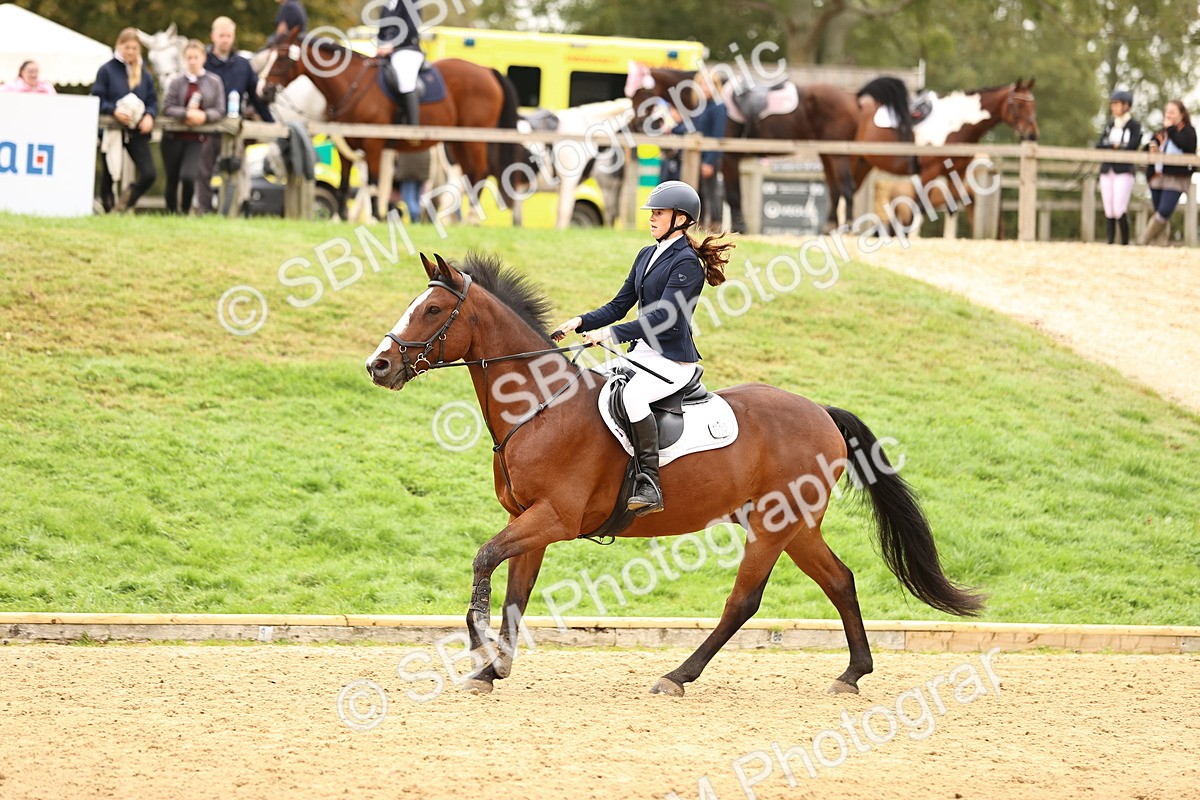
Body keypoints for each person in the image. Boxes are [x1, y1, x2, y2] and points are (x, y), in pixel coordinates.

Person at [551, 181, 735, 516]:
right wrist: (580, 321)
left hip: (672, 361)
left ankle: (649, 482)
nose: (651, 218)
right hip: (641, 354)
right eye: (651, 212)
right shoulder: (647, 254)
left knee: (633, 397)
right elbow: (620, 304)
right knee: (590, 384)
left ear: (680, 219)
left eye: (659, 213)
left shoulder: (688, 263)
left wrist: (610, 335)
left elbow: (664, 316)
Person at [197, 16, 276, 215]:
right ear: (213, 36)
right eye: (221, 35)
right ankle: (204, 210)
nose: (225, 39)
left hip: (234, 126)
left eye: (229, 35)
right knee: (204, 169)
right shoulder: (203, 62)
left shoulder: (242, 64)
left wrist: (271, 122)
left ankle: (235, 210)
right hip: (208, 125)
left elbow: (255, 98)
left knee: (237, 169)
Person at [91, 27, 158, 213]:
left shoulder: (144, 74)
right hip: (111, 130)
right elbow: (97, 98)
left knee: (149, 173)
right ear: (119, 46)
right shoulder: (107, 70)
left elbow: (152, 100)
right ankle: (108, 210)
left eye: (134, 48)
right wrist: (113, 111)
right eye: (127, 47)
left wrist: (149, 116)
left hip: (135, 131)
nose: (130, 51)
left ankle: (125, 203)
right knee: (109, 174)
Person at [161, 40, 226, 215]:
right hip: (174, 137)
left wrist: (204, 116)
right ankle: (170, 213)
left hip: (198, 138)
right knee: (172, 178)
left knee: (189, 176)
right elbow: (167, 107)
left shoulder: (214, 82)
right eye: (189, 57)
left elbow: (220, 109)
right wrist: (185, 114)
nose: (192, 61)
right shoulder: (176, 82)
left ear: (203, 58)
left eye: (195, 57)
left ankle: (184, 209)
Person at [1140, 99, 1197, 246]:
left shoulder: (1188, 131)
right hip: (1157, 176)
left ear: (1182, 114)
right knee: (1161, 213)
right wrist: (1152, 146)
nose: (1168, 115)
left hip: (1176, 178)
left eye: (1172, 112)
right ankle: (1161, 247)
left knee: (1164, 211)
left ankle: (1143, 240)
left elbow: (1186, 145)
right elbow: (1148, 146)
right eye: (1167, 112)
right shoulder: (1162, 132)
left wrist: (1171, 129)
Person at [1095, 89, 1141, 245]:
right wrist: (1112, 147)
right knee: (1108, 208)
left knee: (1119, 207)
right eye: (1112, 104)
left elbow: (1133, 145)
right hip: (1107, 169)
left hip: (1124, 170)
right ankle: (1110, 241)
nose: (1113, 107)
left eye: (1116, 104)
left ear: (1126, 106)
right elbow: (1099, 144)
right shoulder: (1110, 124)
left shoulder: (1134, 125)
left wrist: (1116, 147)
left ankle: (1124, 243)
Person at [376, 0, 425, 127]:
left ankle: (413, 126)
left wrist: (392, 44)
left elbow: (411, 28)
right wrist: (381, 45)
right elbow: (381, 31)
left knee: (405, 80)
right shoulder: (388, 3)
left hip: (407, 49)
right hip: (386, 51)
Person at [692, 70, 728, 228]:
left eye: (708, 84)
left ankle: (715, 225)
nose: (704, 88)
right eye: (701, 84)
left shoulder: (718, 107)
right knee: (697, 192)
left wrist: (710, 162)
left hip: (710, 158)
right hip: (696, 157)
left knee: (712, 192)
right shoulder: (699, 107)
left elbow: (718, 136)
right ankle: (698, 225)